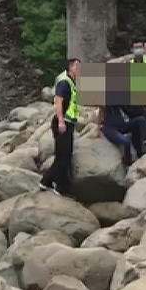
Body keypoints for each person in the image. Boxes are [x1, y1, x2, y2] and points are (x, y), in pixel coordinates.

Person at [40, 58, 81, 196]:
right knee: (63, 157)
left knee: (63, 156)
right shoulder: (64, 81)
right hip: (62, 123)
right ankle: (61, 188)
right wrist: (61, 121)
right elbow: (58, 102)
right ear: (71, 67)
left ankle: (46, 181)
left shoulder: (72, 81)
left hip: (68, 122)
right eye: (77, 66)